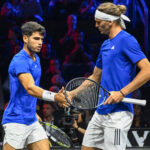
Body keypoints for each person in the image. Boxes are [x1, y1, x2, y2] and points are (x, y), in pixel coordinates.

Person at [69, 2, 150, 150]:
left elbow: (147, 70)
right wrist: (72, 94)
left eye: (98, 22)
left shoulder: (127, 40)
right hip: (101, 112)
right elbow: (95, 77)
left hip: (119, 115)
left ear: (110, 22)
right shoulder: (105, 45)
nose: (96, 25)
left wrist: (122, 92)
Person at [2, 21, 69, 150]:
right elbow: (30, 88)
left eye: (41, 39)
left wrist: (33, 112)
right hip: (16, 120)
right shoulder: (20, 60)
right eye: (36, 39)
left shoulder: (36, 59)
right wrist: (55, 96)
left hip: (32, 119)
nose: (40, 42)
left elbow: (31, 93)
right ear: (25, 38)